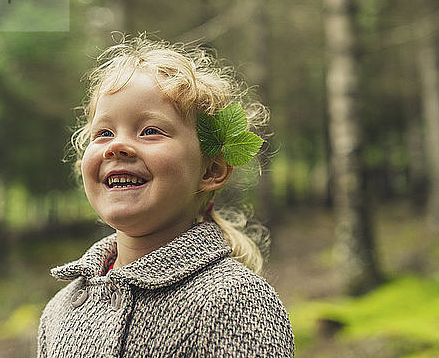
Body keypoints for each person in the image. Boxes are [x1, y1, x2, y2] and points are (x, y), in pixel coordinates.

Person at [37, 35, 294, 357]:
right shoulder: (61, 309)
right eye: (103, 133)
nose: (116, 145)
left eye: (150, 131)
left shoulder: (235, 301)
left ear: (211, 170)